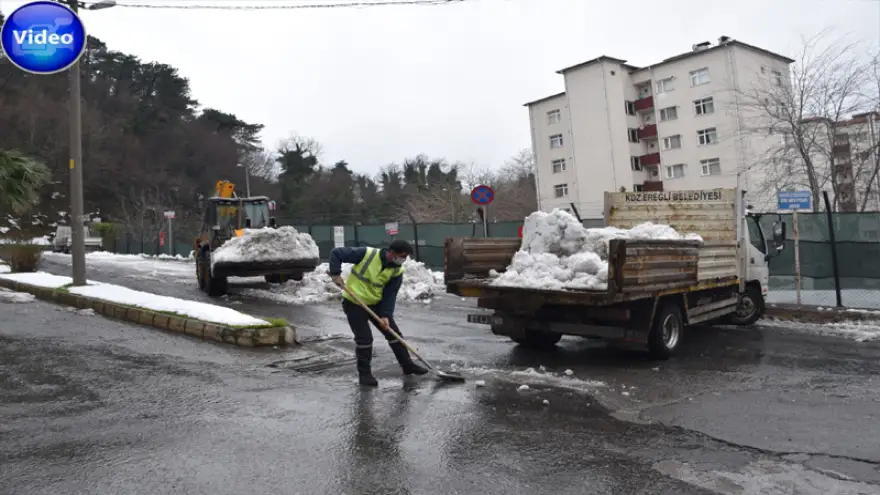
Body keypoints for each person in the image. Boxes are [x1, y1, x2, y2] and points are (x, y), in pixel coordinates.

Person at [329, 240, 429, 386]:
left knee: (393, 334)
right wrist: (335, 273)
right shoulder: (367, 254)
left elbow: (390, 295)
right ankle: (365, 375)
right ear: (391, 252)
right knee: (365, 339)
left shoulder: (397, 270)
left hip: (375, 304)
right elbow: (336, 253)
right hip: (354, 303)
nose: (403, 260)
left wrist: (386, 316)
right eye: (402, 256)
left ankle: (407, 365)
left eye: (406, 257)